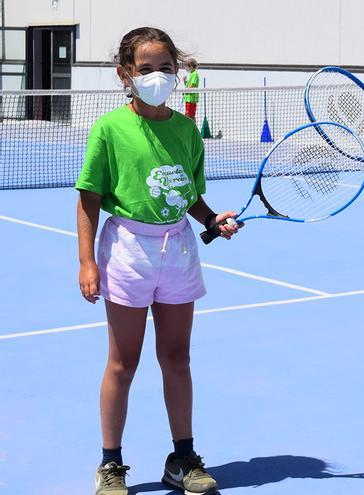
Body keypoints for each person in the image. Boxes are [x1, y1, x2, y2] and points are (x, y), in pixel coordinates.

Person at [76, 27, 239, 495]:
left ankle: (182, 457)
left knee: (176, 357)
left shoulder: (187, 129)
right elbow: (88, 199)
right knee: (123, 362)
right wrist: (87, 262)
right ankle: (111, 464)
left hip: (180, 250)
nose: (157, 76)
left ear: (178, 70)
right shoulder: (110, 128)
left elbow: (190, 196)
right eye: (146, 69)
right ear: (125, 73)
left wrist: (213, 221)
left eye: (165, 68)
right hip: (127, 250)